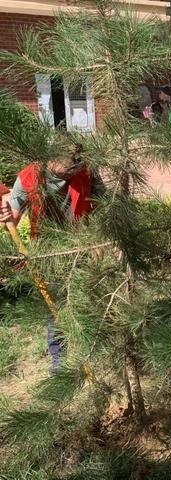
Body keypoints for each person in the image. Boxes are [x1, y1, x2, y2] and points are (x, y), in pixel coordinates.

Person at [0, 144, 105, 372]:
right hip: (49, 252)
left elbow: (104, 206)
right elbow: (13, 218)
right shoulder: (28, 176)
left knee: (87, 300)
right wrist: (7, 216)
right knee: (54, 307)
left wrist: (98, 240)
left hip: (82, 247)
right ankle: (60, 362)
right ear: (51, 161)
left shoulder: (85, 170)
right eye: (69, 168)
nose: (74, 171)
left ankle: (92, 352)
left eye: (77, 165)